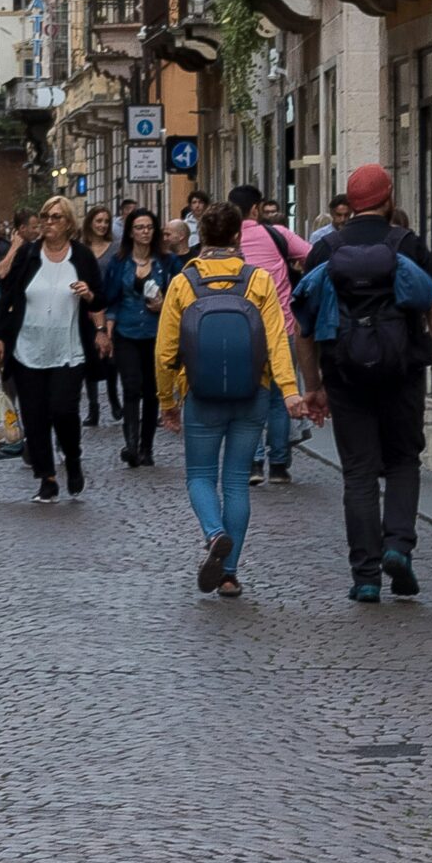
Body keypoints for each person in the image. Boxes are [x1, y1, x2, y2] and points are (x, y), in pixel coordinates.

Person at [312, 164, 432, 602]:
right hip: (402, 371)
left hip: (343, 373)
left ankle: (365, 576)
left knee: (359, 472)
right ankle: (398, 546)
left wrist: (313, 384)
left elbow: (304, 326)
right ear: (389, 198)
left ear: (349, 202)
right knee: (402, 460)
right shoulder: (408, 245)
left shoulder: (325, 249)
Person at [157, 204, 308, 599]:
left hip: (201, 394)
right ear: (237, 238)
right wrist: (290, 391)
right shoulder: (258, 280)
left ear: (201, 238)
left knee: (200, 476)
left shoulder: (182, 282)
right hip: (251, 392)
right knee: (238, 481)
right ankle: (228, 573)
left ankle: (214, 534)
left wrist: (166, 399)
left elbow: (165, 351)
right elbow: (278, 340)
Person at [0, 197, 105, 504]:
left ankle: (73, 457)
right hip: (27, 348)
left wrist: (89, 294)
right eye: (44, 216)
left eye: (55, 217)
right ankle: (47, 478)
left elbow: (100, 298)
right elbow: (6, 294)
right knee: (35, 415)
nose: (48, 222)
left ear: (68, 223)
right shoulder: (28, 254)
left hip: (69, 348)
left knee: (63, 409)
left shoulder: (82, 257)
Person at [228, 184, 313, 485]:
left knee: (249, 397)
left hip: (239, 329)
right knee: (279, 397)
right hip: (281, 327)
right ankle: (278, 464)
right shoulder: (276, 235)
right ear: (255, 209)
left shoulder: (226, 240)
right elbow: (312, 254)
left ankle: (253, 464)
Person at [101, 208, 176, 468]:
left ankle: (147, 447)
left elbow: (179, 296)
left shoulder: (167, 262)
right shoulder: (119, 262)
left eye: (148, 227)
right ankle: (130, 444)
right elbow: (110, 298)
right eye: (139, 227)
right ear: (130, 232)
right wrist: (106, 331)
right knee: (131, 387)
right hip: (126, 332)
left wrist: (164, 302)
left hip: (157, 333)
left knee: (151, 391)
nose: (144, 232)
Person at [77, 205, 121, 428]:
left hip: (109, 305)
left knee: (110, 357)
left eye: (106, 221)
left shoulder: (115, 249)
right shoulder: (80, 248)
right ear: (90, 223)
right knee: (88, 358)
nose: (103, 225)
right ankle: (93, 407)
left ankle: (114, 400)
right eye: (99, 221)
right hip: (84, 309)